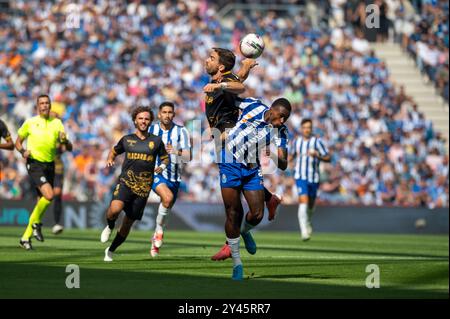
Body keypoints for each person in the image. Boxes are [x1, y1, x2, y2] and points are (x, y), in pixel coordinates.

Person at [203, 47, 283, 261]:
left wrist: (230, 78)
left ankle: (232, 244)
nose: (206, 60)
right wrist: (245, 66)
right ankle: (269, 200)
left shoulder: (223, 80)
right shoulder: (224, 78)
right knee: (236, 201)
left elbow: (238, 85)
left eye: (211, 58)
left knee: (235, 207)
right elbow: (238, 79)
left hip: (231, 140)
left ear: (220, 66)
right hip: (229, 142)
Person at [217, 96, 291, 280]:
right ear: (272, 109)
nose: (282, 121)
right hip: (229, 162)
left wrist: (274, 155)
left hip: (251, 167)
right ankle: (237, 264)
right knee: (233, 212)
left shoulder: (281, 131)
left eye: (285, 119)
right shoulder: (253, 105)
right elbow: (228, 101)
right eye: (281, 116)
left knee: (257, 214)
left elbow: (283, 164)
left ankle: (244, 231)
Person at [100, 106, 169, 262]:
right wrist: (110, 158)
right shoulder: (127, 139)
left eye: (146, 119)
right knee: (114, 209)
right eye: (140, 118)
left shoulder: (156, 141)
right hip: (126, 182)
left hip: (143, 189)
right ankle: (110, 226)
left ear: (150, 121)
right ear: (135, 121)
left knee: (127, 224)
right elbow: (114, 150)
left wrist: (162, 166)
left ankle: (110, 250)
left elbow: (165, 158)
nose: (143, 121)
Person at [15, 94, 72, 250]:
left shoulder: (57, 123)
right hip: (34, 163)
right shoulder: (30, 122)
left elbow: (68, 147)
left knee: (44, 200)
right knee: (49, 195)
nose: (44, 105)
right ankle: (35, 224)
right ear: (37, 106)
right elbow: (17, 142)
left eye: (47, 103)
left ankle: (25, 238)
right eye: (41, 103)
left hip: (50, 165)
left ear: (50, 105)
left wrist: (65, 140)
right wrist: (22, 152)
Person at [148, 101, 191, 257]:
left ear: (174, 114)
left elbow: (188, 156)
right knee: (167, 197)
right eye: (164, 112)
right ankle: (159, 230)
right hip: (156, 174)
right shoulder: (151, 129)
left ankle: (156, 234)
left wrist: (176, 151)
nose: (167, 115)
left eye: (169, 112)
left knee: (166, 204)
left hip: (174, 177)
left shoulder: (182, 131)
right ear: (159, 114)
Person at [290, 118, 331, 241]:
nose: (307, 129)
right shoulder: (296, 142)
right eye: (305, 127)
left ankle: (307, 222)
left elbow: (328, 157)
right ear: (301, 129)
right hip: (300, 177)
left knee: (311, 206)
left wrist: (317, 155)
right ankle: (304, 231)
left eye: (309, 127)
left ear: (311, 129)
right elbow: (291, 156)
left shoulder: (317, 142)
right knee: (303, 202)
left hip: (314, 178)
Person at [49, 110, 72, 235]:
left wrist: (65, 143)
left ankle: (57, 223)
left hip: (57, 166)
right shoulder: (42, 132)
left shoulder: (61, 133)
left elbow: (67, 148)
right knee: (43, 196)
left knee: (57, 194)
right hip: (42, 166)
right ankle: (35, 223)